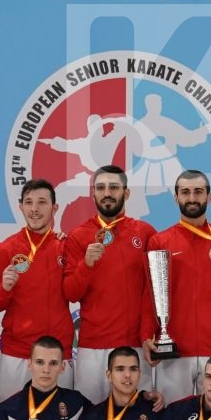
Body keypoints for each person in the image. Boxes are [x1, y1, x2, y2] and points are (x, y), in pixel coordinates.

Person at [144, 170, 211, 400]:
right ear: (176, 197)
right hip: (174, 349)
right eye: (185, 192)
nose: (192, 198)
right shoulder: (160, 241)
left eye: (198, 192)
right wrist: (146, 335)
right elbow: (148, 295)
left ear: (209, 197)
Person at [65, 164, 158, 403]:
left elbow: (152, 293)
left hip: (133, 348)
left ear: (126, 193)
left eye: (114, 187)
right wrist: (86, 264)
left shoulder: (146, 233)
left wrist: (148, 334)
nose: (107, 193)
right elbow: (71, 293)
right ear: (92, 193)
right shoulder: (78, 236)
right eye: (101, 188)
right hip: (92, 348)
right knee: (89, 418)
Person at [0, 179, 76, 400]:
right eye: (28, 202)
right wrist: (5, 288)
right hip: (17, 353)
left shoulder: (66, 246)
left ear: (54, 208)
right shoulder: (6, 248)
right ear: (21, 207)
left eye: (42, 202)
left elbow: (75, 292)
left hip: (57, 354)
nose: (34, 209)